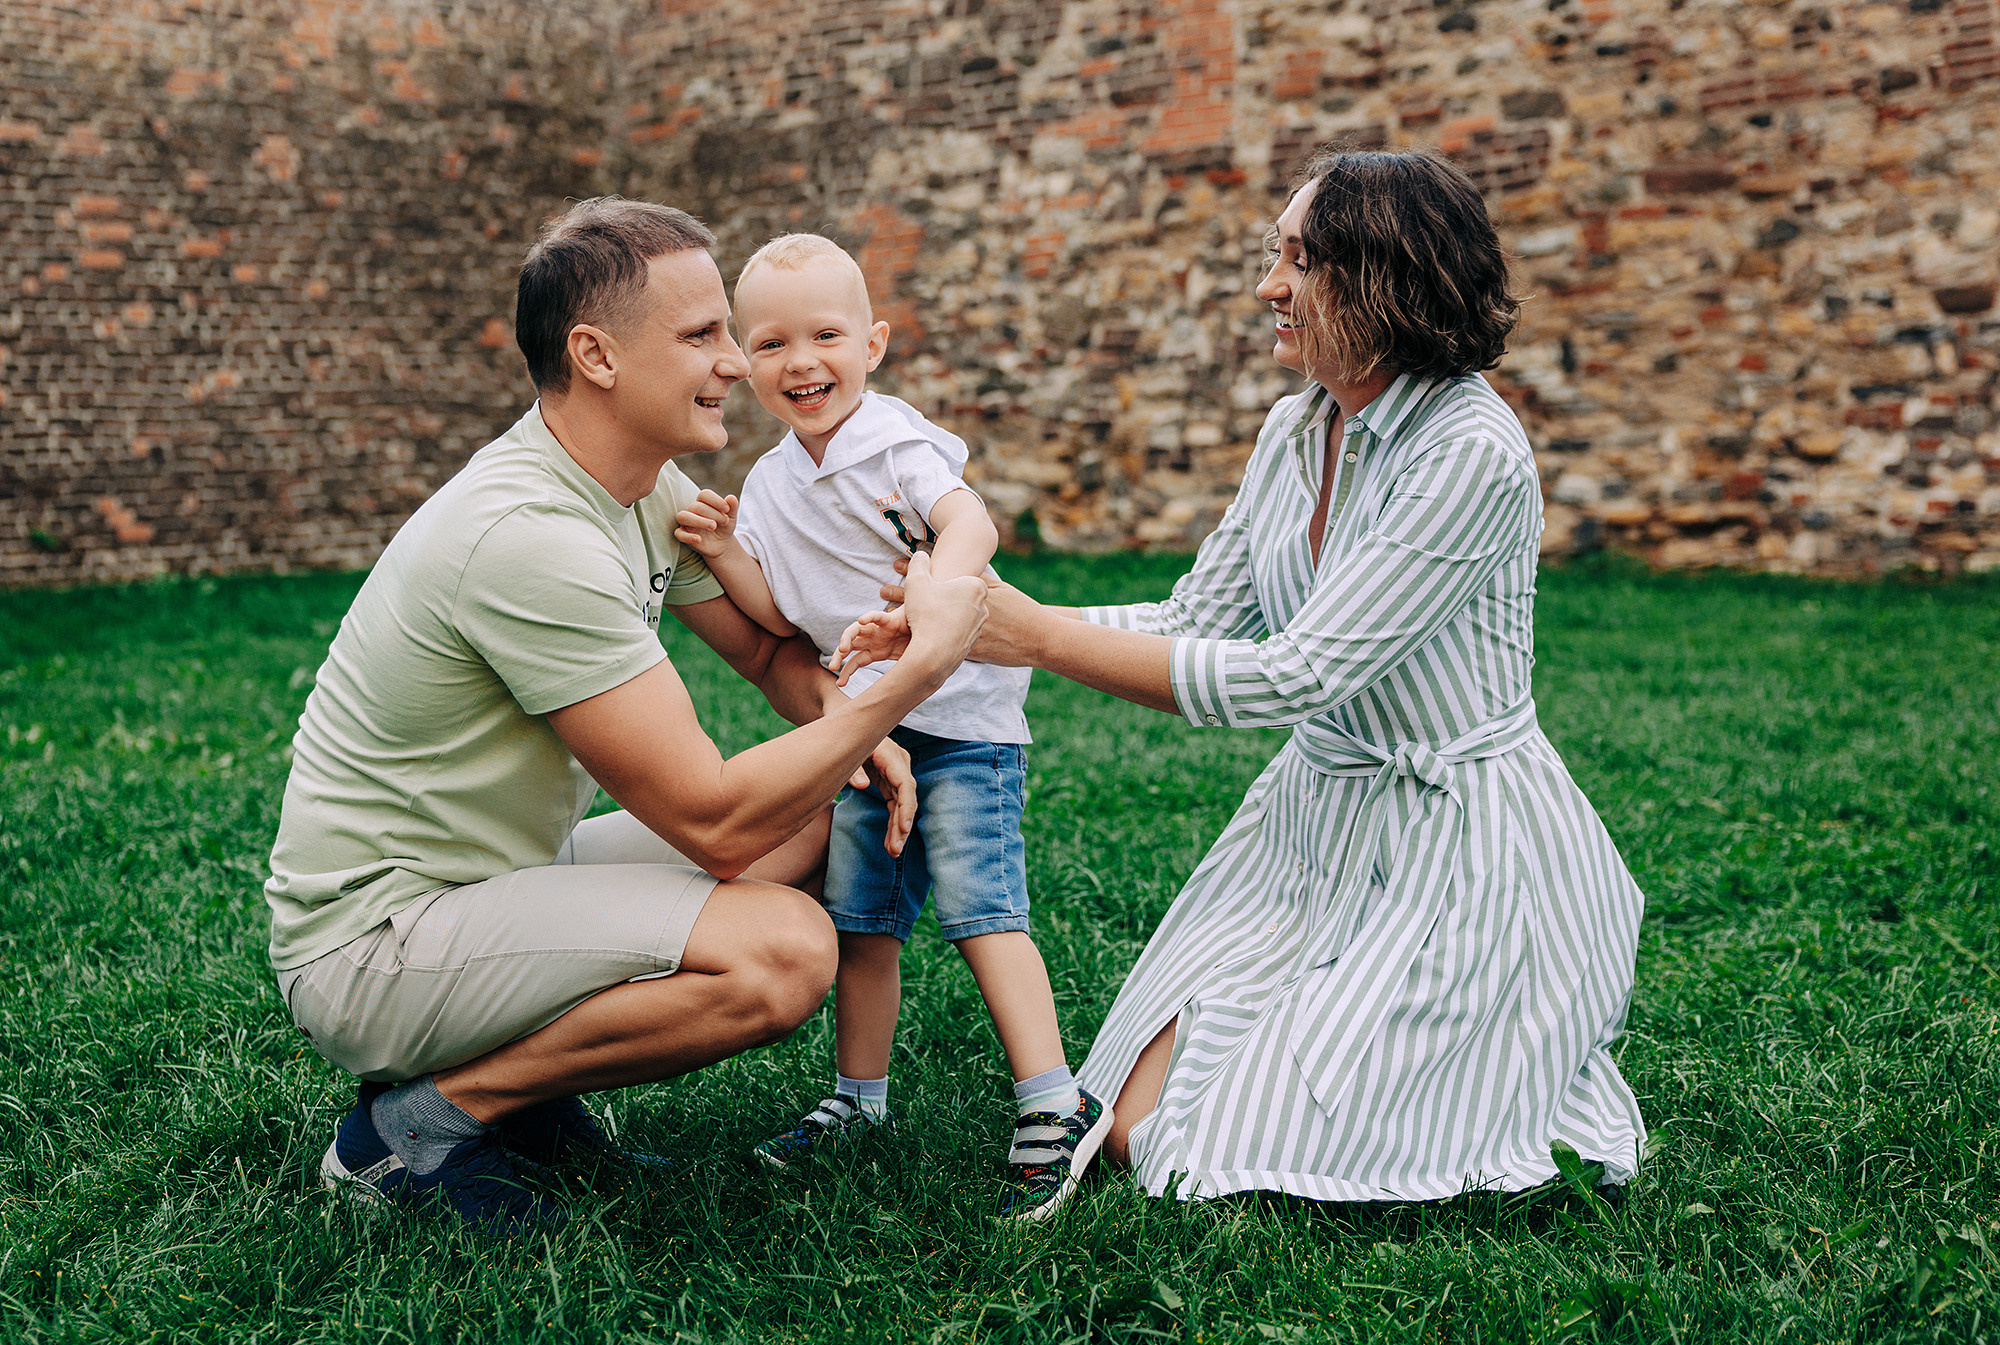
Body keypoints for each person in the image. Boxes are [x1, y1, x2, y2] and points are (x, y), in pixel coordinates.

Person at [843, 149, 1648, 1203]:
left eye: (1298, 260)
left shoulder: (1470, 452)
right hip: (1308, 829)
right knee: (1124, 1128)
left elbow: (1292, 675)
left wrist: (1026, 634)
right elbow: (1192, 621)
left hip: (1458, 853)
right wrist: (979, 626)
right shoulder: (1294, 425)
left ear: (1387, 279)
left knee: (1194, 1150)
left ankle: (1494, 1037)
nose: (1268, 285)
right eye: (1274, 254)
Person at [264, 199, 988, 1234]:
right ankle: (416, 1128)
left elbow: (771, 650)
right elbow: (713, 820)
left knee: (826, 815)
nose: (738, 364)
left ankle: (518, 1091)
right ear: (596, 355)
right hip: (373, 944)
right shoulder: (527, 535)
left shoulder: (641, 488)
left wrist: (849, 722)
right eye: (702, 335)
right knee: (780, 952)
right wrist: (906, 688)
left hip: (500, 881)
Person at [670, 234, 1110, 1221]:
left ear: (870, 343)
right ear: (747, 359)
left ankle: (1052, 1098)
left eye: (826, 335)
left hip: (962, 724)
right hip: (871, 732)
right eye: (774, 342)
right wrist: (729, 549)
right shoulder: (775, 484)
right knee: (862, 919)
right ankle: (856, 1101)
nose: (801, 362)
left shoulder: (895, 443)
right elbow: (781, 615)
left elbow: (972, 528)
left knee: (977, 902)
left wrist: (927, 608)